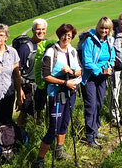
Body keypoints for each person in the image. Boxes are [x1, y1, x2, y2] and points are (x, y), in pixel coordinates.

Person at [33, 24, 82, 167]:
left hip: (71, 92)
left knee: (65, 122)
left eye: (69, 35)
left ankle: (59, 151)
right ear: (59, 35)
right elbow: (45, 76)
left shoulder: (73, 51)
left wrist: (71, 72)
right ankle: (40, 160)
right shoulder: (51, 52)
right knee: (53, 127)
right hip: (56, 94)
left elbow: (79, 71)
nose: (67, 37)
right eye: (64, 34)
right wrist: (64, 82)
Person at [81, 17, 115, 148]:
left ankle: (95, 129)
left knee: (99, 104)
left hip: (102, 77)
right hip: (90, 78)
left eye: (106, 28)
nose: (104, 30)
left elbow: (112, 56)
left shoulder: (109, 41)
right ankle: (90, 137)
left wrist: (109, 67)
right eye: (102, 27)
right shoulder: (90, 41)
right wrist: (101, 70)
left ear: (110, 29)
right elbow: (87, 62)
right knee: (91, 106)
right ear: (97, 27)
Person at [15, 18, 48, 127]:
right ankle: (19, 137)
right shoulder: (25, 48)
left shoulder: (46, 45)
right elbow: (17, 71)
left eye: (43, 29)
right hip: (28, 87)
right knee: (24, 113)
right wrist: (19, 91)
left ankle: (36, 133)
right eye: (38, 29)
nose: (41, 32)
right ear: (33, 30)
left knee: (39, 111)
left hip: (41, 85)